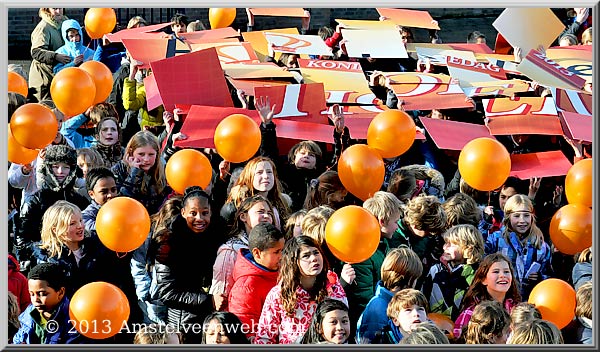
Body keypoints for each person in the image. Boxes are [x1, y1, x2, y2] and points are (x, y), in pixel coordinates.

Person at [152, 186, 223, 344]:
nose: (199, 218)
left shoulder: (215, 235)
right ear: (183, 213)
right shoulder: (167, 243)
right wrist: (208, 300)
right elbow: (167, 293)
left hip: (210, 321)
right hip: (183, 323)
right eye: (193, 213)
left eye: (205, 213)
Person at [254, 236, 348, 344]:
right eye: (306, 256)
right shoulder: (278, 294)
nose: (314, 258)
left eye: (316, 252)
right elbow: (265, 338)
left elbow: (343, 328)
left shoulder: (333, 287)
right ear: (293, 262)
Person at [18, 144, 89, 269]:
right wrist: (43, 253)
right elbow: (23, 239)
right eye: (55, 167)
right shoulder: (35, 200)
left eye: (66, 167)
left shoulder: (79, 200)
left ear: (72, 169)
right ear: (48, 168)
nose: (60, 172)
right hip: (45, 262)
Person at [345, 191, 401, 339]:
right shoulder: (363, 255)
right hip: (371, 325)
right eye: (396, 222)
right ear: (382, 222)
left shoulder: (383, 243)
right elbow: (364, 299)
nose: (397, 227)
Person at [210, 195, 275, 310]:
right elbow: (221, 299)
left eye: (269, 213)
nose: (266, 216)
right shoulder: (231, 251)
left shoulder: (275, 248)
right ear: (243, 217)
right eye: (261, 212)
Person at [484, 195, 552, 299]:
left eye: (526, 215)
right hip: (500, 299)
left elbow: (548, 276)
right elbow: (480, 254)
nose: (522, 220)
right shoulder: (497, 239)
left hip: (527, 301)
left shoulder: (540, 245)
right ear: (508, 217)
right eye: (516, 216)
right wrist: (485, 223)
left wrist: (539, 278)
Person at [228, 222, 284, 342]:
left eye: (282, 250)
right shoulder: (246, 287)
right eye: (276, 252)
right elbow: (246, 330)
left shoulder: (282, 271)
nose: (281, 256)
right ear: (257, 253)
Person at [356, 247, 423, 344]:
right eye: (415, 278)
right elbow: (370, 342)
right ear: (408, 279)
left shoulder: (402, 303)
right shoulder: (378, 307)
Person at [421, 224, 485, 321]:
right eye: (445, 243)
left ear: (468, 248)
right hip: (433, 323)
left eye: (451, 244)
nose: (445, 247)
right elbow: (423, 297)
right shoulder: (436, 270)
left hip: (461, 327)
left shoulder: (477, 275)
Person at [453, 253, 521, 339]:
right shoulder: (471, 313)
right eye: (496, 271)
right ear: (483, 279)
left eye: (506, 272)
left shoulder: (518, 311)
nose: (502, 275)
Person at [12, 262, 82, 344]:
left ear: (60, 292)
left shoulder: (74, 321)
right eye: (31, 294)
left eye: (42, 294)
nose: (35, 299)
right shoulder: (28, 314)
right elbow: (18, 338)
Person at [220, 156, 291, 230]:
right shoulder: (235, 206)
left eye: (269, 172)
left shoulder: (282, 204)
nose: (266, 176)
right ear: (249, 177)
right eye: (259, 172)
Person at [112, 130, 170, 215]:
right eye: (141, 154)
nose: (146, 159)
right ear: (131, 152)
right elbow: (120, 203)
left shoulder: (163, 171)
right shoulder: (119, 170)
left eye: (151, 154)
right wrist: (134, 173)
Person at [29, 8, 69, 102]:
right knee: (43, 109)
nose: (58, 11)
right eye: (54, 8)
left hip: (58, 77)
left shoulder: (65, 23)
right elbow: (36, 51)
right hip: (43, 79)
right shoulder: (43, 28)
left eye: (60, 8)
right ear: (47, 9)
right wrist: (56, 56)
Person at [80, 167, 118, 236]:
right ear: (91, 194)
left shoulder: (123, 208)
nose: (110, 195)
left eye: (113, 190)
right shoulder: (85, 217)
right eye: (104, 192)